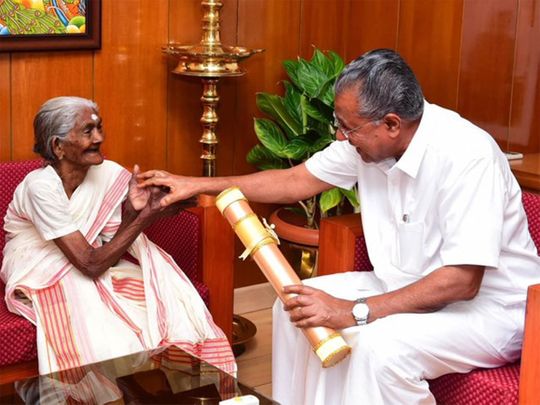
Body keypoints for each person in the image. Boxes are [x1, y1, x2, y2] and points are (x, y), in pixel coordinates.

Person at [137, 49, 540, 405]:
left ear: (392, 124)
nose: (341, 136)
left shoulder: (467, 155)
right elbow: (296, 180)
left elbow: (461, 281)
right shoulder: (366, 143)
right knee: (296, 303)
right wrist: (197, 185)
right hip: (401, 284)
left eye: (349, 128)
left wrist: (353, 311)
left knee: (380, 349)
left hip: (489, 310)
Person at [1, 97, 236, 380]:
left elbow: (111, 239)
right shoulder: (40, 187)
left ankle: (162, 387)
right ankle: (114, 390)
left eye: (99, 127)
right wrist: (145, 216)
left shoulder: (107, 173)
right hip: (37, 264)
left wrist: (136, 211)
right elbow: (89, 264)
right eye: (87, 131)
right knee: (109, 330)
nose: (99, 137)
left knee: (153, 305)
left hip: (91, 257)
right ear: (57, 146)